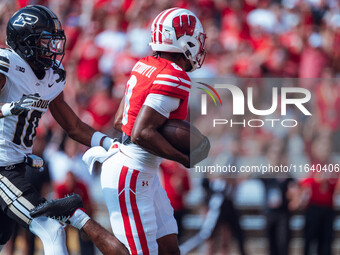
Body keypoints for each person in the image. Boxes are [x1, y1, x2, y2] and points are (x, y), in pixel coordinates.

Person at [0, 5, 127, 255]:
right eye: (45, 40)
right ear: (25, 42)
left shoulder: (53, 75)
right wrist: (9, 108)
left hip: (17, 167)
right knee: (50, 229)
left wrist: (109, 144)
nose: (52, 47)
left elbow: (74, 126)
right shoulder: (7, 65)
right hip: (2, 167)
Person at [99, 7, 209, 255]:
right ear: (184, 41)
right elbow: (141, 133)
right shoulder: (175, 75)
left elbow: (119, 121)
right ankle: (79, 219)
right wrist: (184, 158)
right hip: (132, 170)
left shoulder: (145, 64)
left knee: (170, 249)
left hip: (138, 167)